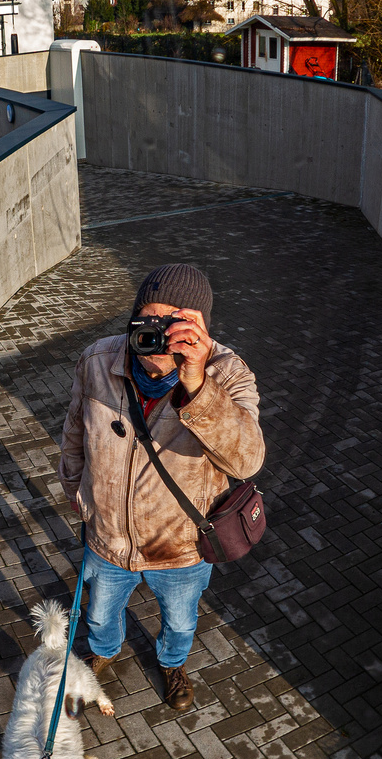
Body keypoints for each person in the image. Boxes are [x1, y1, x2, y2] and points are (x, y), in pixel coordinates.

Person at [57, 264, 266, 710]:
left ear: (203, 328)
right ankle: (104, 651)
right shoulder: (98, 360)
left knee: (180, 619)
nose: (163, 336)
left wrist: (197, 384)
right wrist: (74, 486)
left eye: (179, 325)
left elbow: (247, 460)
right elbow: (75, 429)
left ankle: (172, 662)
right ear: (133, 320)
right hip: (108, 538)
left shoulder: (227, 372)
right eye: (151, 323)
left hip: (181, 548)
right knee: (98, 613)